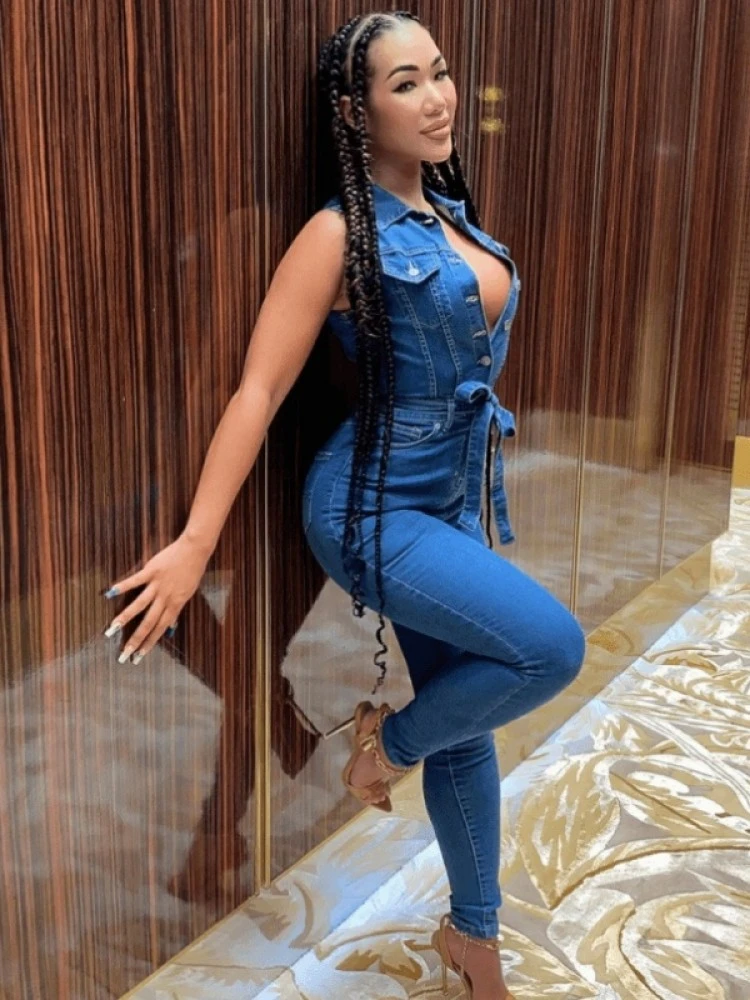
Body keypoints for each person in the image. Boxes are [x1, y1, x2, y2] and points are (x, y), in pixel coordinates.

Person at [101, 11, 586, 999]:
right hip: (370, 506)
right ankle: (381, 747)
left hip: (448, 497)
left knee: (469, 720)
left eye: (439, 73)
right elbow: (258, 390)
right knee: (550, 648)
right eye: (406, 84)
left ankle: (475, 943)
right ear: (358, 113)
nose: (438, 98)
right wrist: (195, 540)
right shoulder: (335, 234)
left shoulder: (447, 211)